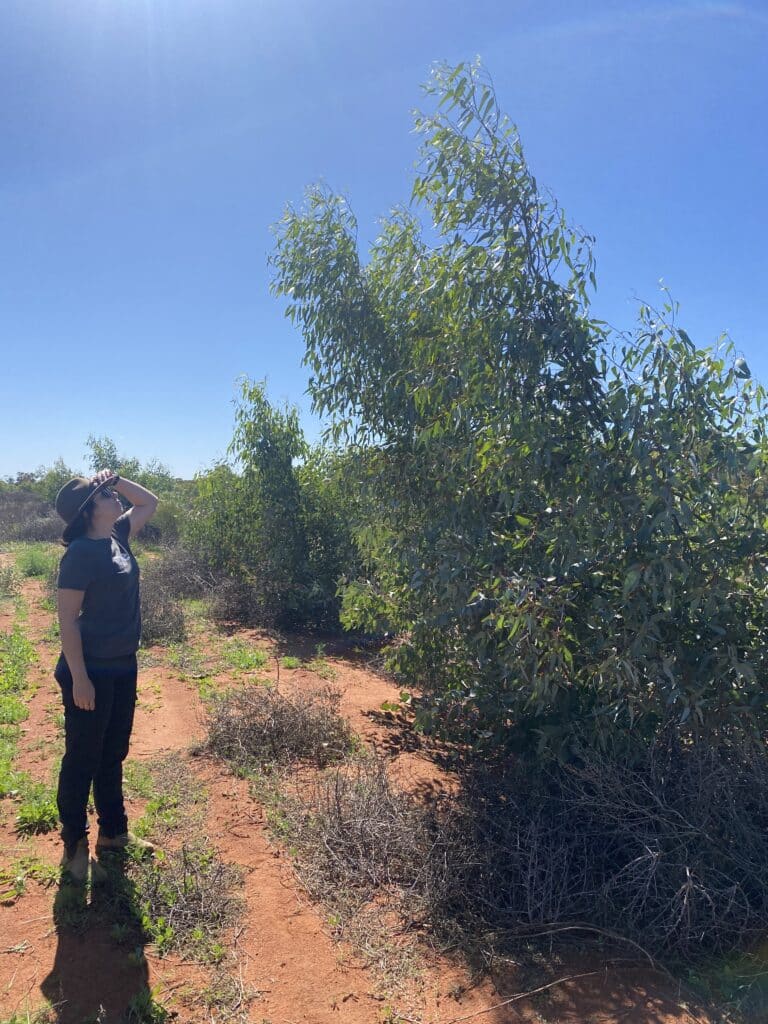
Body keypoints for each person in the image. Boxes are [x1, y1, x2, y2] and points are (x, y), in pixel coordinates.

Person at [53, 469, 158, 882]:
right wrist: (79, 677)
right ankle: (74, 844)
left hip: (122, 666)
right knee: (83, 758)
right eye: (104, 494)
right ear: (89, 510)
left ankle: (113, 833)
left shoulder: (116, 534)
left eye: (110, 492)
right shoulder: (80, 553)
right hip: (90, 671)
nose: (114, 497)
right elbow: (67, 621)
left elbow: (149, 502)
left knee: (113, 753)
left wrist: (117, 478)